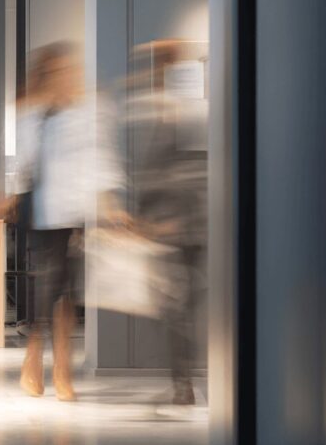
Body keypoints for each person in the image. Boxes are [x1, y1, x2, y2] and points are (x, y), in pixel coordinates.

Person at [10, 41, 125, 402]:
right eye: (60, 71)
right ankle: (36, 360)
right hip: (45, 215)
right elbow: (24, 163)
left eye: (70, 70)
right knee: (50, 290)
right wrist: (11, 193)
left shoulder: (88, 110)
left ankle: (60, 367)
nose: (68, 77)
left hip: (77, 212)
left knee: (68, 293)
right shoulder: (33, 115)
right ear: (47, 76)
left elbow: (101, 156)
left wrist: (110, 202)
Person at [126, 41, 207, 406]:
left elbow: (184, 173)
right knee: (176, 304)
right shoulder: (165, 112)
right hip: (175, 225)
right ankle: (183, 379)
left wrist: (163, 219)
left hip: (180, 227)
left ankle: (184, 381)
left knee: (176, 305)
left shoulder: (183, 114)